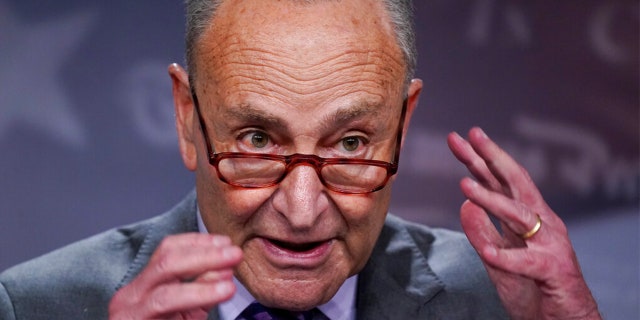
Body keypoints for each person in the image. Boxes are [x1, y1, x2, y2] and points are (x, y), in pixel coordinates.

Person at [0, 0, 601, 319]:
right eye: (258, 140)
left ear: (403, 124)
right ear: (187, 116)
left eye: (350, 143)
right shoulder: (33, 308)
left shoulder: (501, 307)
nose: (303, 209)